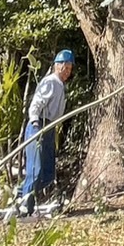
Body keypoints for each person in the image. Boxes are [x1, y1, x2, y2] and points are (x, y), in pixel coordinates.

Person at [18, 49, 75, 214]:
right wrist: (35, 122)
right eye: (66, 68)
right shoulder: (50, 82)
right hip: (39, 125)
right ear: (58, 66)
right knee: (35, 169)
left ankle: (21, 194)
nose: (67, 72)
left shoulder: (60, 86)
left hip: (50, 128)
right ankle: (24, 206)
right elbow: (36, 103)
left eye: (70, 69)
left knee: (48, 173)